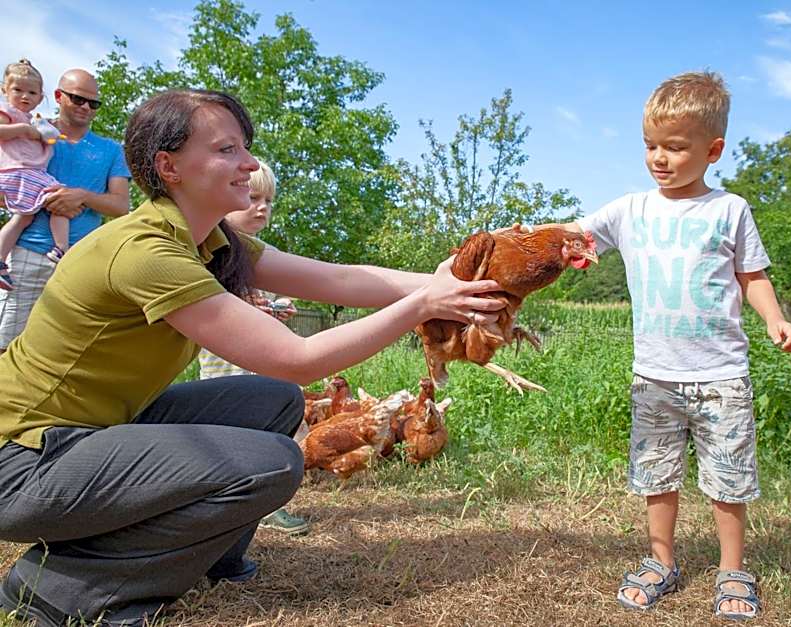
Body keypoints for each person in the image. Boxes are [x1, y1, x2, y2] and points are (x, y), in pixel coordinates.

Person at [0, 88, 504, 626]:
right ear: (168, 166)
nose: (250, 164)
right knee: (272, 463)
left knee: (271, 403)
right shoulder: (146, 252)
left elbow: (339, 278)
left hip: (90, 433)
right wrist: (425, 304)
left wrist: (455, 283)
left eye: (245, 147)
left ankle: (205, 553)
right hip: (24, 460)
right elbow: (299, 357)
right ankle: (60, 586)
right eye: (227, 150)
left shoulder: (211, 241)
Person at [530, 71, 791, 619]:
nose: (659, 158)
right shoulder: (631, 210)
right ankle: (661, 561)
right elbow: (569, 237)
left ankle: (731, 570)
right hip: (654, 374)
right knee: (656, 475)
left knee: (727, 479)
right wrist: (525, 242)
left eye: (675, 147)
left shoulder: (730, 210)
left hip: (722, 373)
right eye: (651, 145)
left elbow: (752, 275)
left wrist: (774, 318)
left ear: (713, 150)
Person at [197, 159, 309, 536]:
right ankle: (233, 504)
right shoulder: (210, 250)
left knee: (271, 429)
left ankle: (266, 504)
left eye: (268, 200)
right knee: (232, 432)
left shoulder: (263, 253)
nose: (262, 207)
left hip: (263, 360)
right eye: (253, 197)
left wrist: (278, 310)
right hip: (225, 363)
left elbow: (269, 304)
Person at [0, 68, 130, 352]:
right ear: (58, 97)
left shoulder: (110, 150)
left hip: (78, 260)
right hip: (25, 255)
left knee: (64, 351)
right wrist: (42, 198)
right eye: (78, 99)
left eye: (93, 103)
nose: (86, 107)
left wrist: (80, 196)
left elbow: (121, 205)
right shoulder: (32, 132)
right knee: (6, 344)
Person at [0, 59, 70, 290]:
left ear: (40, 97)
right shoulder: (8, 113)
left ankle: (1, 261)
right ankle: (62, 248)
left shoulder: (34, 120)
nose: (24, 97)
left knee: (25, 217)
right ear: (4, 90)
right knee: (60, 198)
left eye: (31, 92)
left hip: (29, 173)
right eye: (17, 90)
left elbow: (50, 136)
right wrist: (23, 130)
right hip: (18, 171)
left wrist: (43, 133)